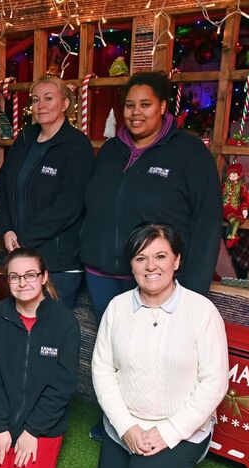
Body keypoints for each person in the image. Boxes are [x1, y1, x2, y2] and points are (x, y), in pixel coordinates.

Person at [91, 223, 228, 468]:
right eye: (141, 258)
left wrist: (167, 433)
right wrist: (127, 427)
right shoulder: (117, 307)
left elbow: (214, 382)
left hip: (181, 425)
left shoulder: (201, 311)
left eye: (161, 256)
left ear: (177, 261)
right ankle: (145, 466)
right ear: (132, 265)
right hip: (129, 422)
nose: (151, 266)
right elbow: (103, 371)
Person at [81, 70, 222, 321]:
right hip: (101, 276)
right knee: (113, 348)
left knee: (151, 354)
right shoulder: (111, 151)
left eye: (145, 104)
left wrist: (195, 290)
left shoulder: (190, 153)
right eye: (129, 105)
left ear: (163, 106)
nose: (136, 112)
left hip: (155, 279)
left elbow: (207, 223)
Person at [0, 247, 79, 468]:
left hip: (42, 421)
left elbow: (62, 386)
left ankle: (28, 442)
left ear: (43, 277)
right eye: (14, 276)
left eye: (30, 275)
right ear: (7, 281)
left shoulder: (64, 323)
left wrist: (33, 431)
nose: (22, 282)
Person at [0, 76, 95, 308]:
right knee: (23, 323)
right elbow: (2, 183)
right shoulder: (26, 138)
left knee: (51, 331)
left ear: (65, 103)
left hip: (57, 262)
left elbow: (69, 206)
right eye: (36, 99)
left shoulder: (77, 146)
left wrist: (24, 239)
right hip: (21, 253)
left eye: (48, 98)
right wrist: (7, 228)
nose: (41, 105)